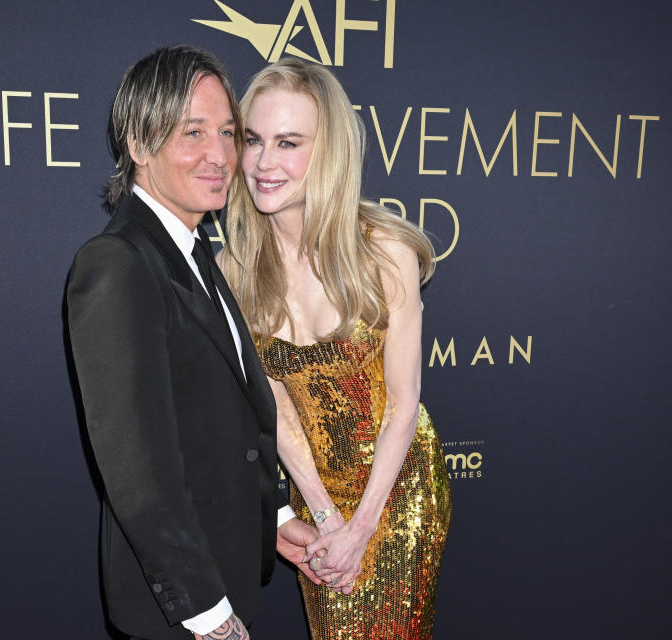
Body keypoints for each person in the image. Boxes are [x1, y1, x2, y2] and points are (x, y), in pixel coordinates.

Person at [66, 46, 320, 640]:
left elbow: (221, 422)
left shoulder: (194, 252)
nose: (221, 156)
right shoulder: (118, 263)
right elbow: (138, 468)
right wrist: (207, 615)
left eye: (228, 133)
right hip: (179, 611)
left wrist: (274, 516)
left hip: (224, 574)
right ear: (137, 143)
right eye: (193, 132)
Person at [217, 59, 452, 639]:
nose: (265, 164)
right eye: (254, 140)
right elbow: (276, 409)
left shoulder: (384, 252)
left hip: (398, 489)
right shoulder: (234, 270)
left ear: (328, 153)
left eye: (289, 143)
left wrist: (361, 526)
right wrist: (324, 514)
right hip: (316, 496)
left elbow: (403, 403)